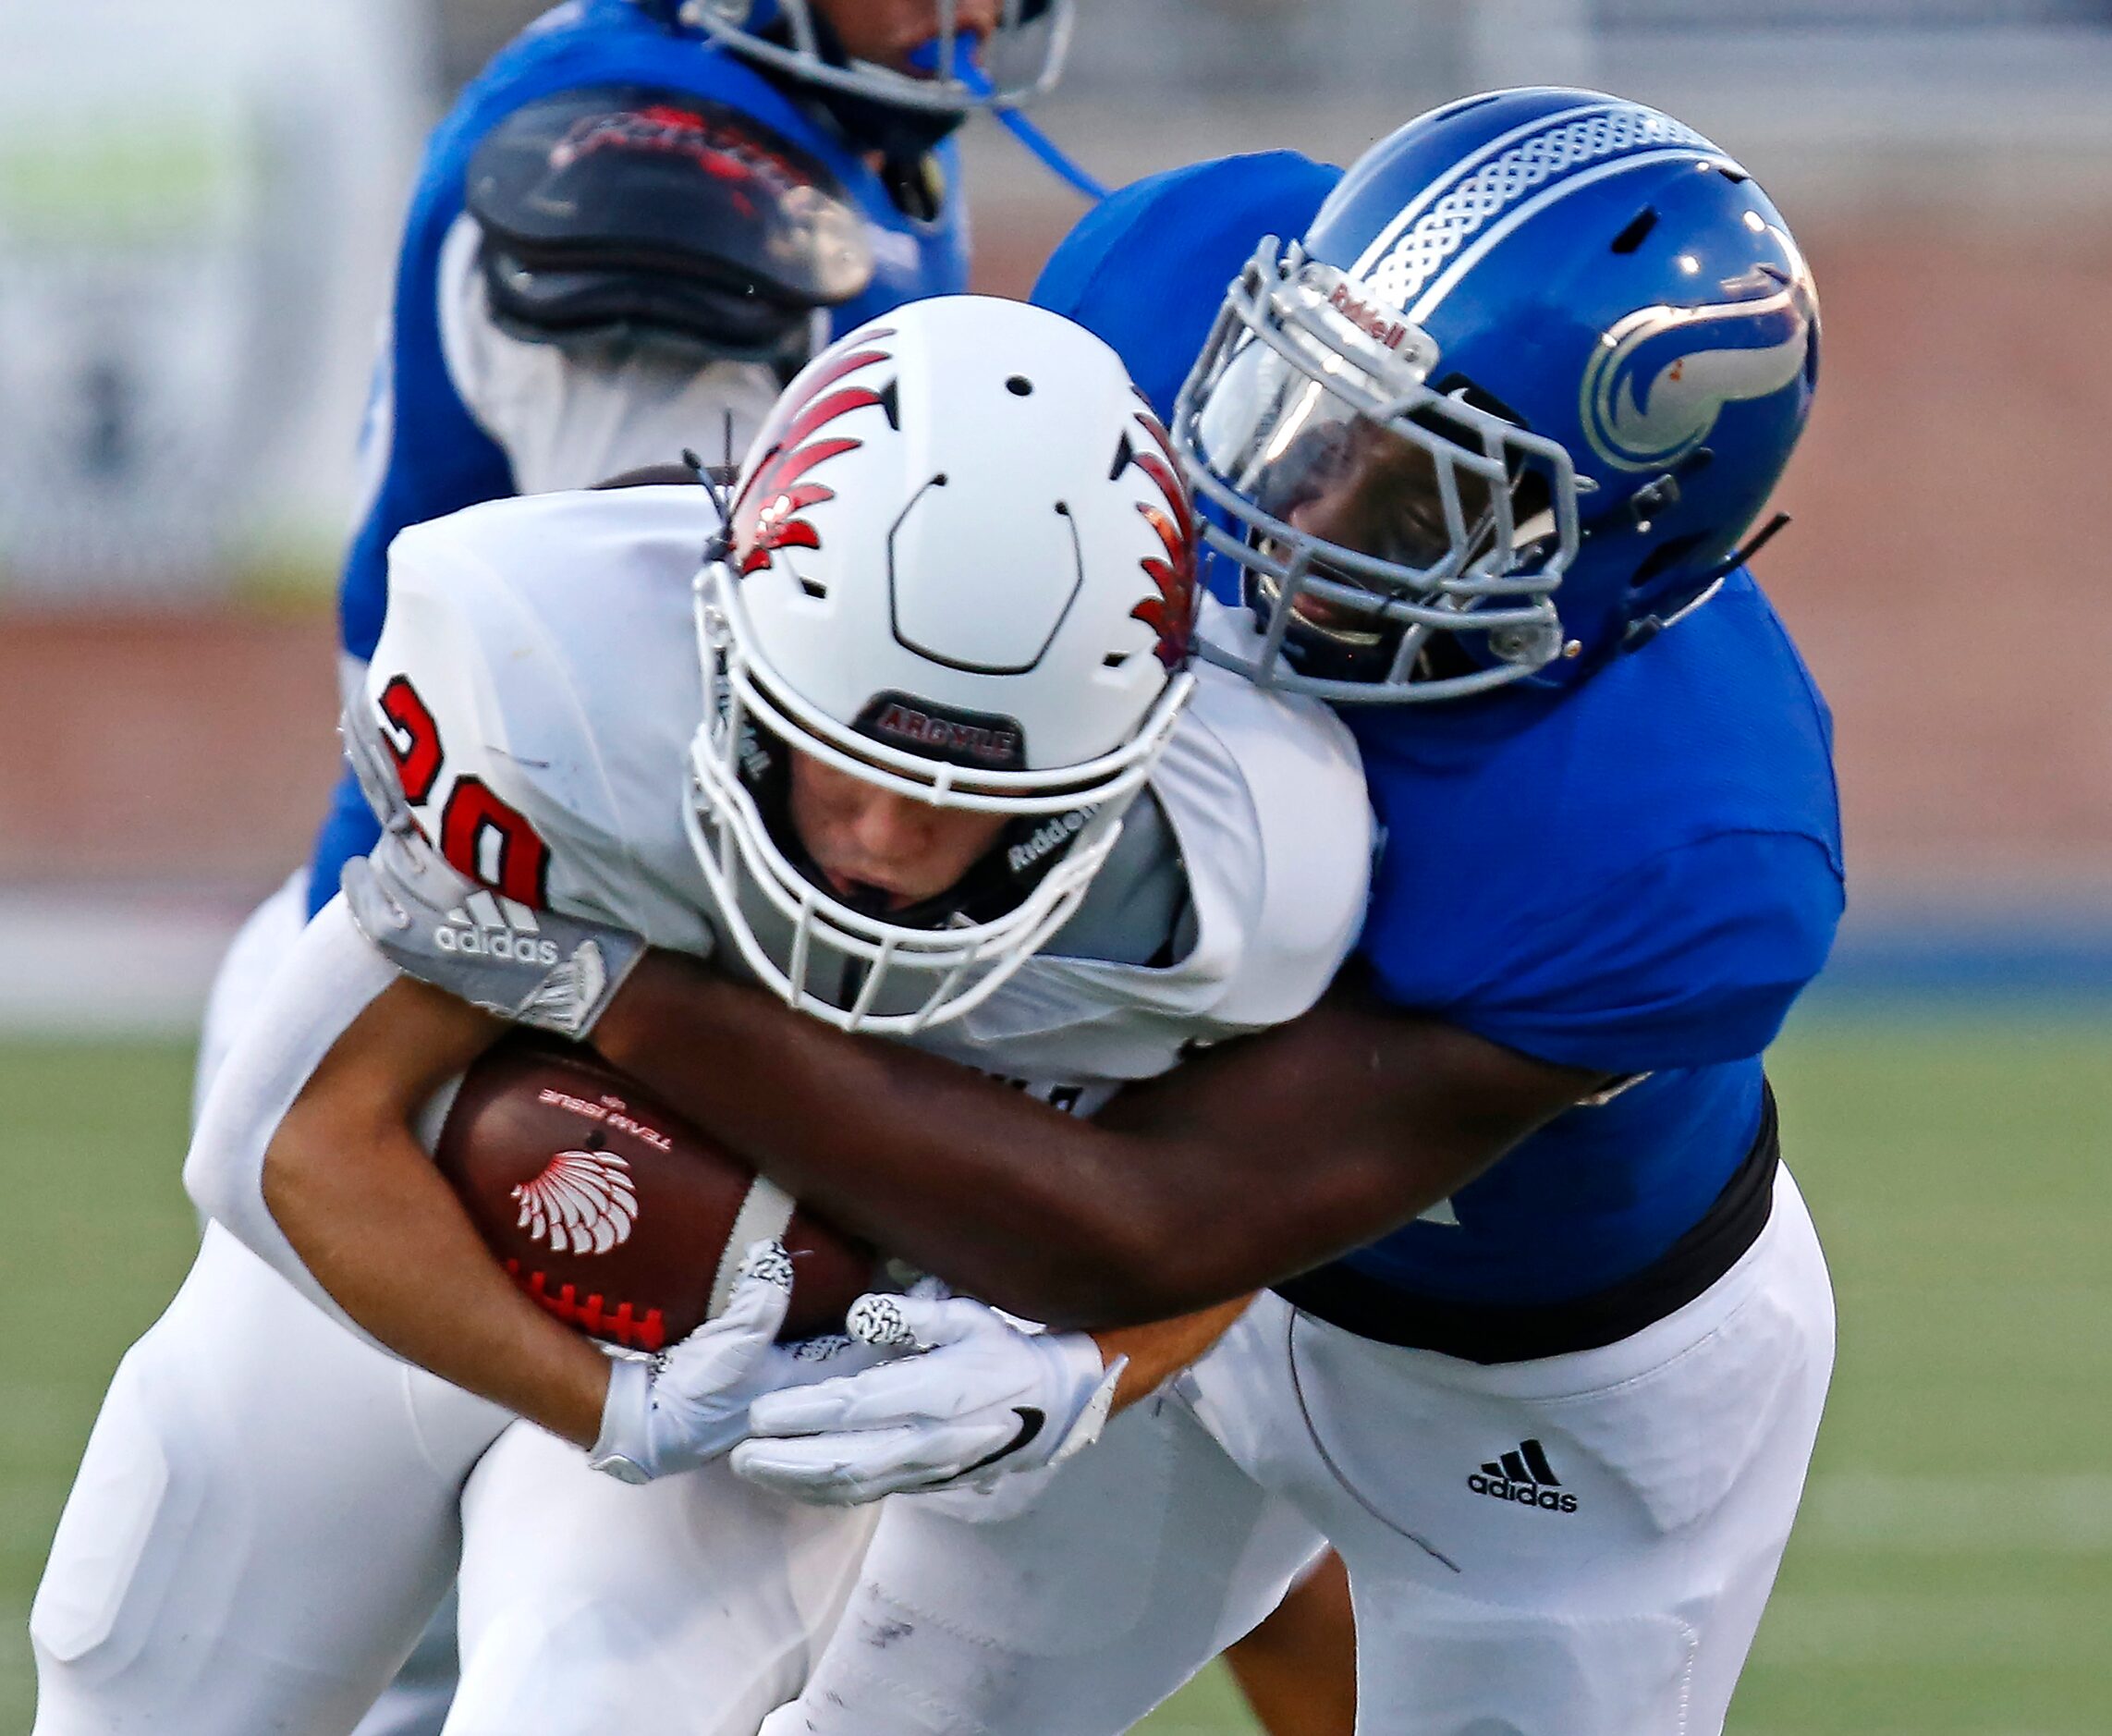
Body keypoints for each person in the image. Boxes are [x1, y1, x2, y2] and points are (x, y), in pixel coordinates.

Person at [366, 90, 1843, 1736]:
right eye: (1304, 407)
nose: (1307, 508)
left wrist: (618, 986)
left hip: (1532, 1376)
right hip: (1128, 1242)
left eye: (1421, 500)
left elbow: (1162, 1214)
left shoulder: (1681, 840)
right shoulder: (1175, 271)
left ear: (1621, 567)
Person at [33, 297, 1373, 1736]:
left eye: (973, 797)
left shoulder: (1236, 878)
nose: (880, 838)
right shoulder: (566, 689)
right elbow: (283, 1140)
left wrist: (1081, 1370)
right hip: (389, 1281)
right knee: (143, 1683)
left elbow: (1237, 1214)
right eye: (834, 756)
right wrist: (608, 1402)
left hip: (764, 1390)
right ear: (729, 637)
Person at [195, 0, 1076, 1101]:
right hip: (490, 980)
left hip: (540, 945)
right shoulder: (655, 180)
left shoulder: (809, 112)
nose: (979, 12)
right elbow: (626, 696)